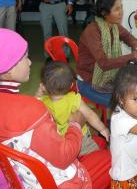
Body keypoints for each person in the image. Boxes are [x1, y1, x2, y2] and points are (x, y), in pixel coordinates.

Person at [0, 28, 111, 188]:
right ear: (8, 70)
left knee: (97, 144)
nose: (30, 62)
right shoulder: (34, 110)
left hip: (16, 178)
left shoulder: (30, 103)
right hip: (50, 181)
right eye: (24, 57)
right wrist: (76, 125)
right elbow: (63, 157)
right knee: (109, 159)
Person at [76, 0, 137, 106]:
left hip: (107, 77)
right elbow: (104, 63)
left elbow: (128, 37)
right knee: (127, 103)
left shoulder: (113, 25)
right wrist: (135, 55)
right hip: (89, 80)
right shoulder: (92, 31)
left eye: (121, 7)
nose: (121, 13)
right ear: (104, 12)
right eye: (116, 9)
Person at [36, 61, 110, 156]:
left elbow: (32, 105)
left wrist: (39, 92)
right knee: (96, 155)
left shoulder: (42, 102)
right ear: (71, 85)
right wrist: (103, 129)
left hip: (61, 144)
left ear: (43, 86)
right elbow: (89, 114)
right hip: (81, 139)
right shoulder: (73, 98)